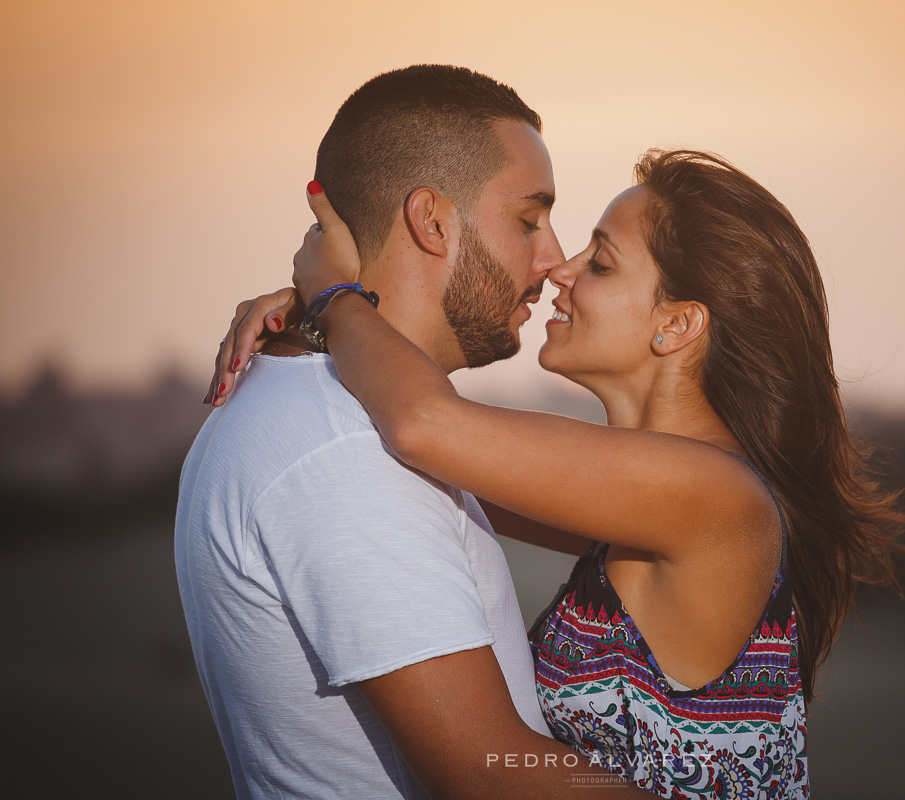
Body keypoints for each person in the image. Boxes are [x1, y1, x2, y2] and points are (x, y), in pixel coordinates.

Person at [213, 150, 905, 797]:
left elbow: (422, 425)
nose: (560, 271)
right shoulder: (661, 494)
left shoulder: (713, 494)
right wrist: (318, 323)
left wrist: (338, 296)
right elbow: (437, 448)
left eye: (601, 264)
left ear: (677, 326)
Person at [176, 64, 653, 800]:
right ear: (431, 220)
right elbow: (490, 773)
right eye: (529, 219)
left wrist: (326, 308)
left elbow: (618, 518)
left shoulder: (347, 421)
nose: (554, 260)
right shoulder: (346, 452)